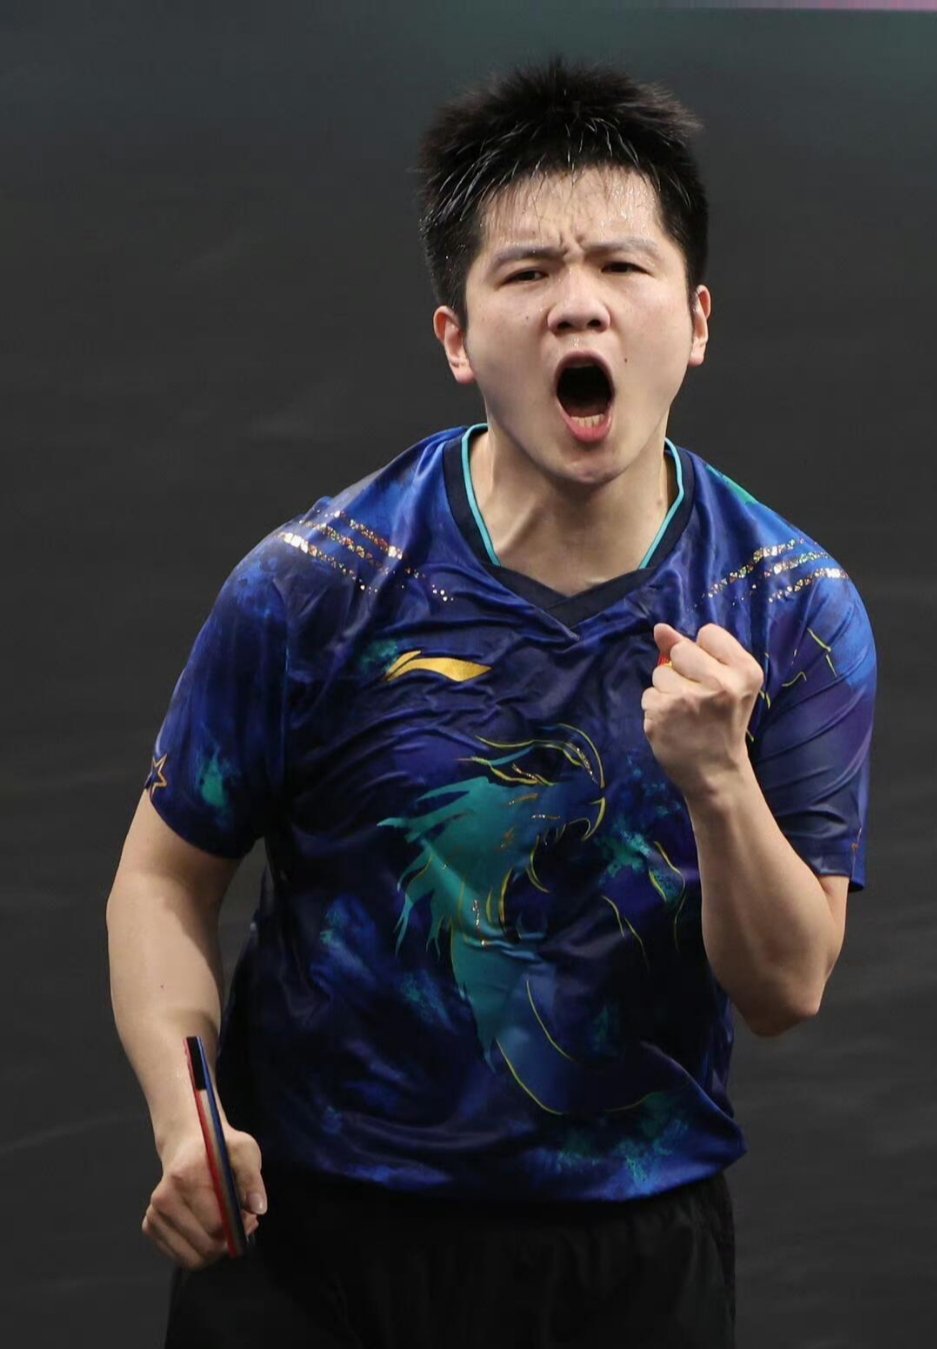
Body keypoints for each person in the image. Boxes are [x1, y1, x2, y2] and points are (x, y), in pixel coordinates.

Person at [107, 58, 876, 1349]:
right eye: (526, 274)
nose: (579, 304)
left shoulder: (788, 603)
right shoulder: (319, 584)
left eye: (622, 266)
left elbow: (787, 985)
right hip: (308, 1238)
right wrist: (188, 1115)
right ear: (458, 339)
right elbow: (160, 879)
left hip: (628, 1253)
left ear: (694, 320)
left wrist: (719, 781)